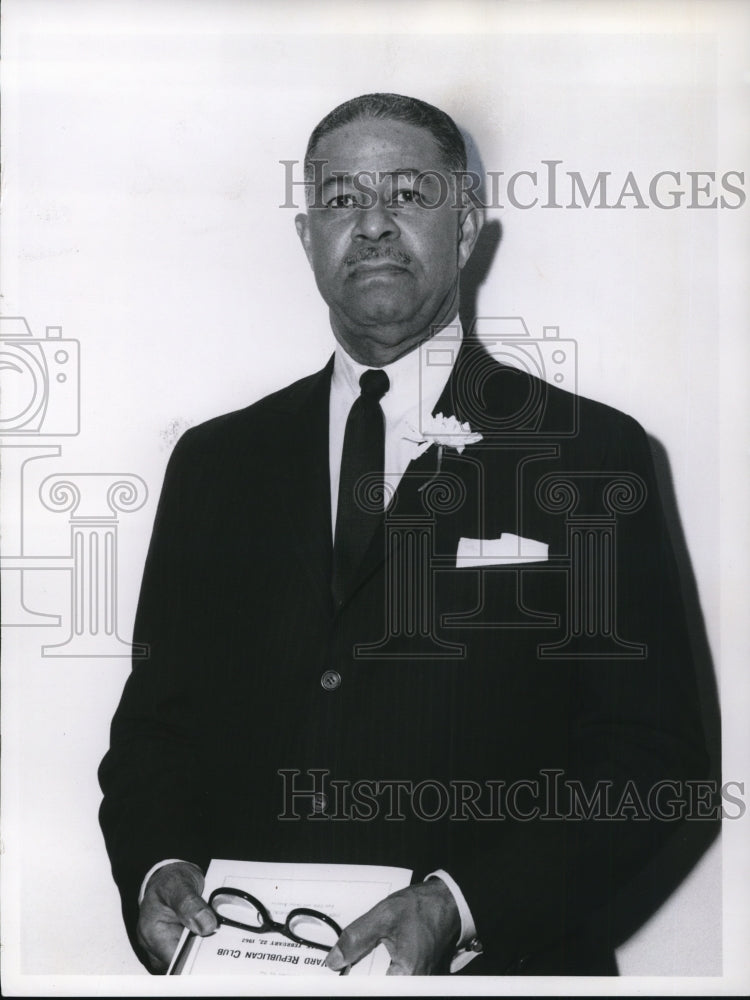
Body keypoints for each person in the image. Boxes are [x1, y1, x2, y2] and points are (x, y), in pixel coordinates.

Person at [98, 93, 713, 976]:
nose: (375, 225)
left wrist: (462, 906)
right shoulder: (214, 462)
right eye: (343, 199)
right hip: (248, 971)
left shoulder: (590, 453)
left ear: (465, 228)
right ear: (306, 238)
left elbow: (654, 761)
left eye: (409, 194)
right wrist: (156, 868)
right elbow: (157, 732)